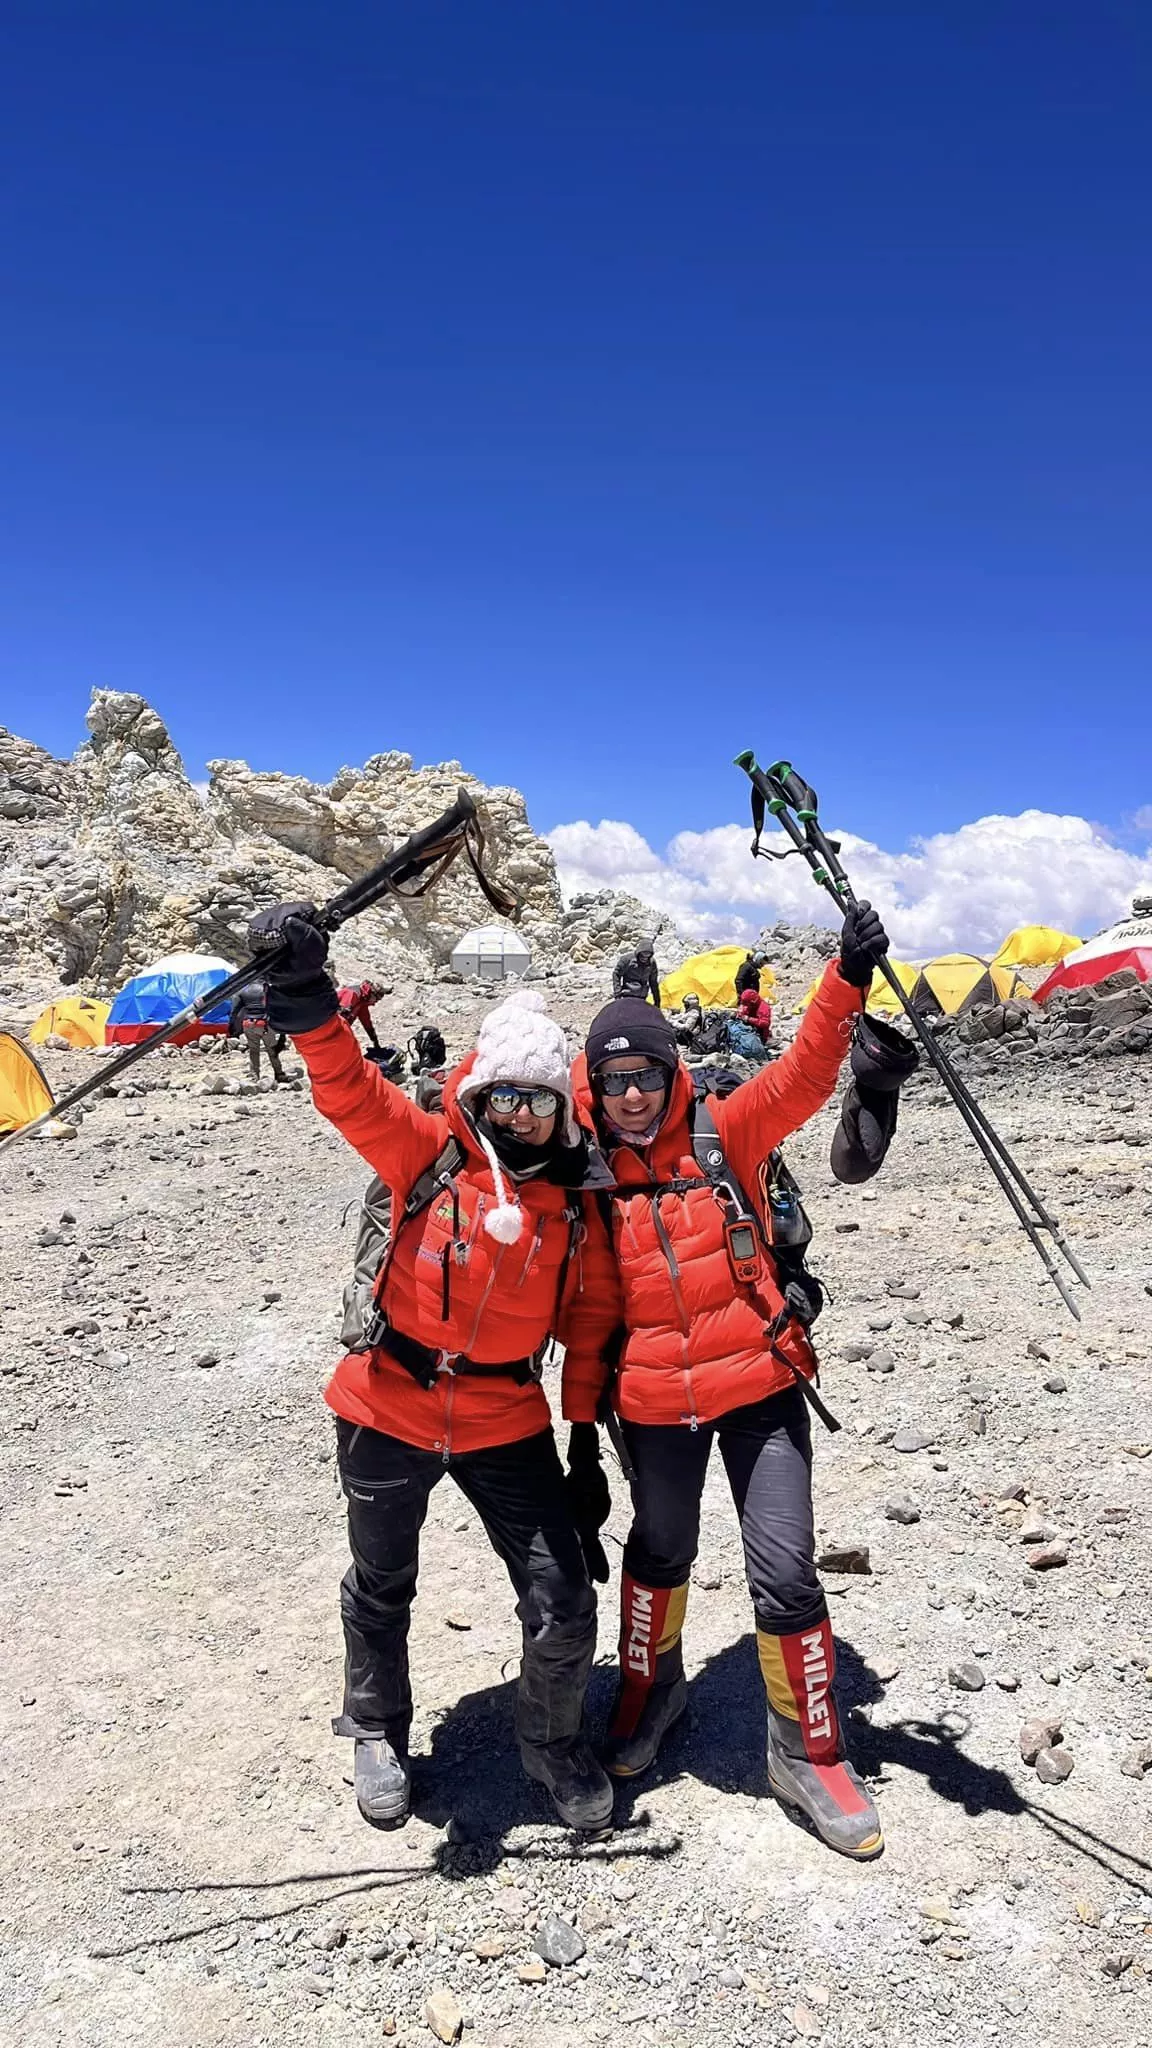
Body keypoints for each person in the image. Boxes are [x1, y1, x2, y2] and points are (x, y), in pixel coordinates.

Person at [248, 901, 620, 1833]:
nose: (521, 1116)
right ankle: (376, 1730)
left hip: (506, 1418)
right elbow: (347, 1090)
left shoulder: (573, 1206)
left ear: (561, 1108)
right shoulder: (427, 1154)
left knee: (564, 1594)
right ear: (480, 1093)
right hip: (388, 1403)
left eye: (540, 1099)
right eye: (506, 1096)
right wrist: (305, 996)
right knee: (382, 1582)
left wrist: (582, 1448)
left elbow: (585, 1323)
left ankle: (549, 1742)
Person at [561, 901, 892, 1860]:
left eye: (646, 1075)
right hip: (653, 1407)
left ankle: (809, 1750)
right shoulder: (580, 1171)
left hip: (760, 1388)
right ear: (593, 1084)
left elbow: (804, 1075)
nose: (631, 1095)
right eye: (613, 1079)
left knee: (786, 1569)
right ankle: (646, 1690)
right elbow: (584, 1312)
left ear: (672, 1072)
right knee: (658, 1552)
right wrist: (581, 1433)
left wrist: (846, 980)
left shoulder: (724, 1134)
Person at [226, 979, 287, 1083]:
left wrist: (231, 1026)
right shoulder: (267, 989)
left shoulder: (242, 992)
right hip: (264, 1024)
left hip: (248, 1024)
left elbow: (234, 1012)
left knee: (254, 1051)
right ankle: (279, 1074)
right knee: (272, 1049)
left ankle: (255, 1075)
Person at [338, 979, 385, 1049]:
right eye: (377, 999)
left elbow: (367, 1023)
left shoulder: (362, 1002)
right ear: (372, 994)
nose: (375, 1002)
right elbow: (339, 1016)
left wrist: (375, 1040)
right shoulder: (352, 994)